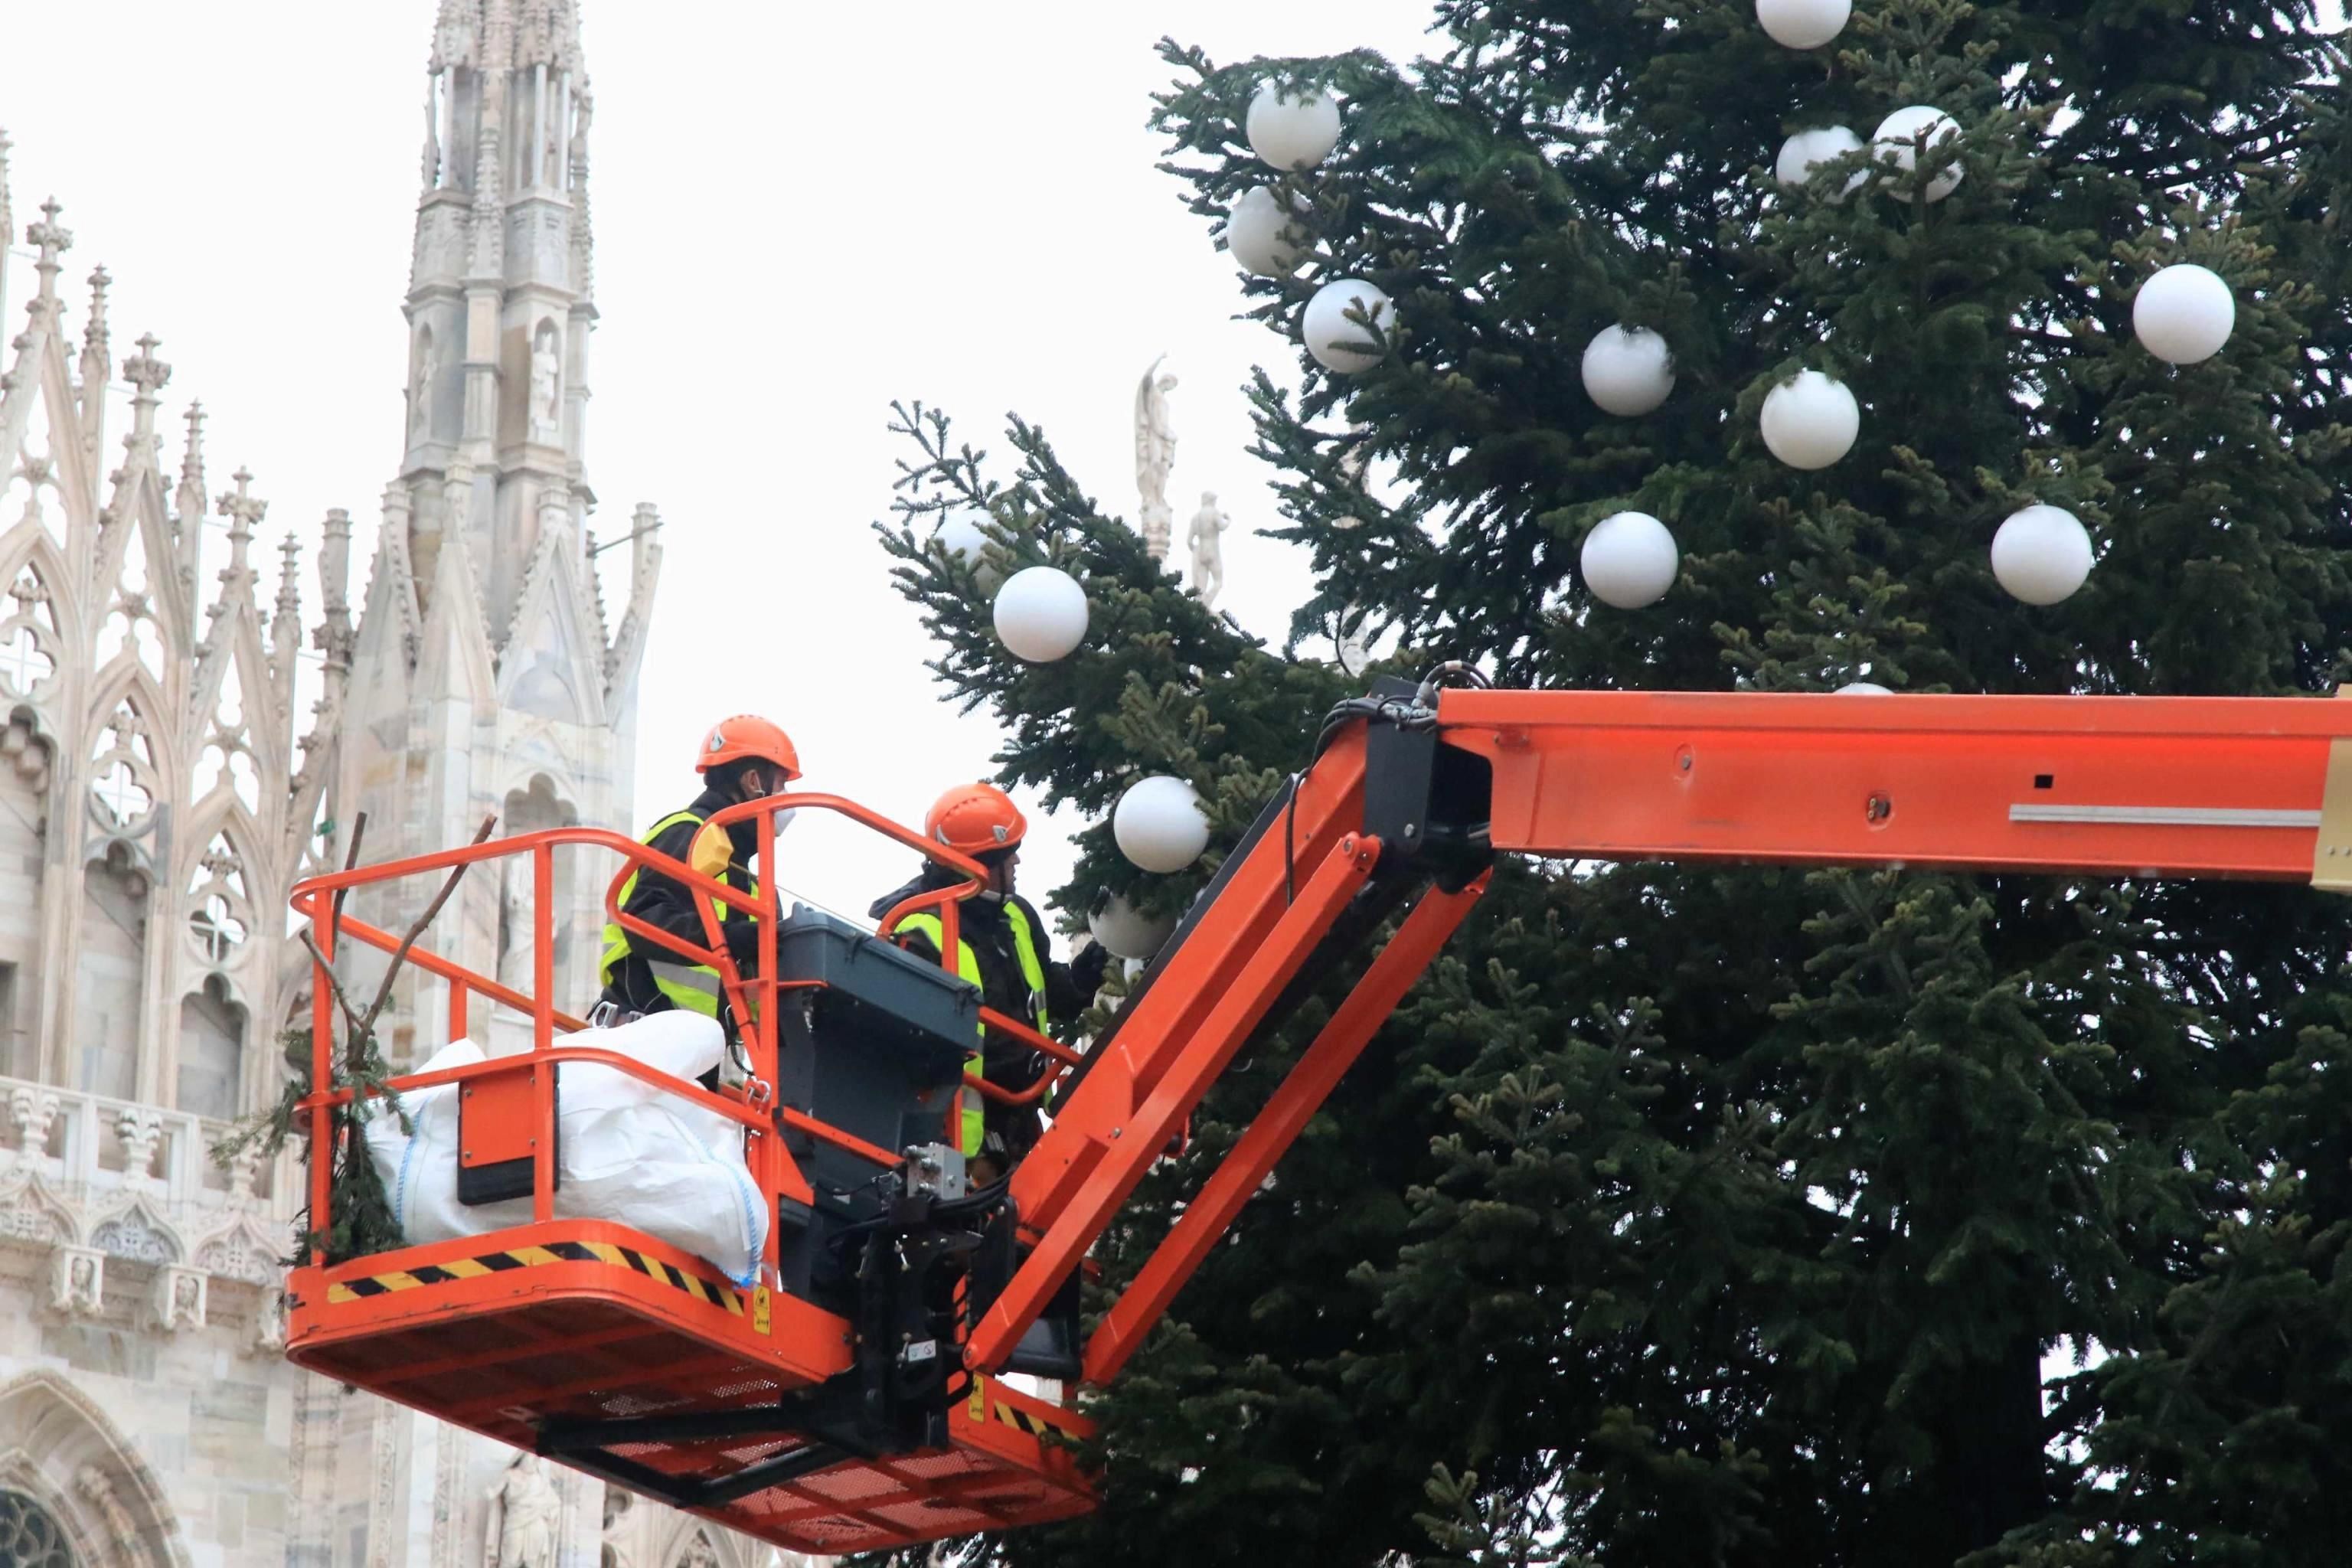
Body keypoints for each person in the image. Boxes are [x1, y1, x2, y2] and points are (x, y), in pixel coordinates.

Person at [871, 782, 1107, 1185]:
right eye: (1005, 853)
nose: (1016, 860)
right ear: (977, 864)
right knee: (975, 1238)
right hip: (958, 1138)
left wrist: (1093, 964)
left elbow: (1046, 994)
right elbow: (918, 1044)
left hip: (1021, 1120)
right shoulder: (920, 933)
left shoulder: (1015, 917)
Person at [594, 715, 799, 1030]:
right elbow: (645, 920)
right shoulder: (687, 835)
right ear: (754, 781)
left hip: (692, 1056)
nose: (788, 798)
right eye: (781, 784)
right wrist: (728, 938)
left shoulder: (753, 885)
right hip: (639, 1033)